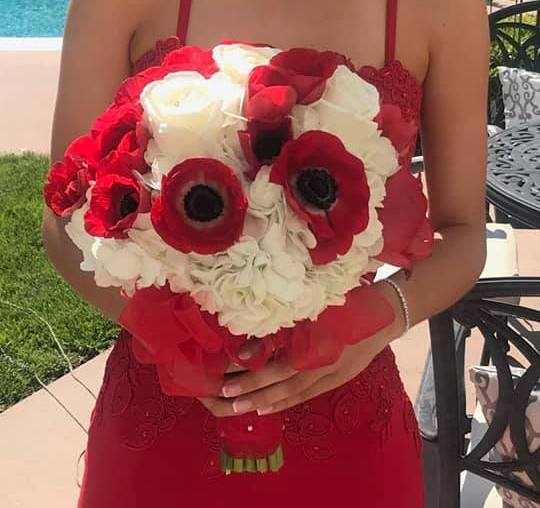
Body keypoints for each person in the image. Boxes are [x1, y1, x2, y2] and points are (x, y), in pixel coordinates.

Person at [42, 0, 489, 506]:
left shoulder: (443, 10)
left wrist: (381, 315)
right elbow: (64, 215)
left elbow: (463, 232)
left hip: (347, 418)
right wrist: (178, 338)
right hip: (162, 423)